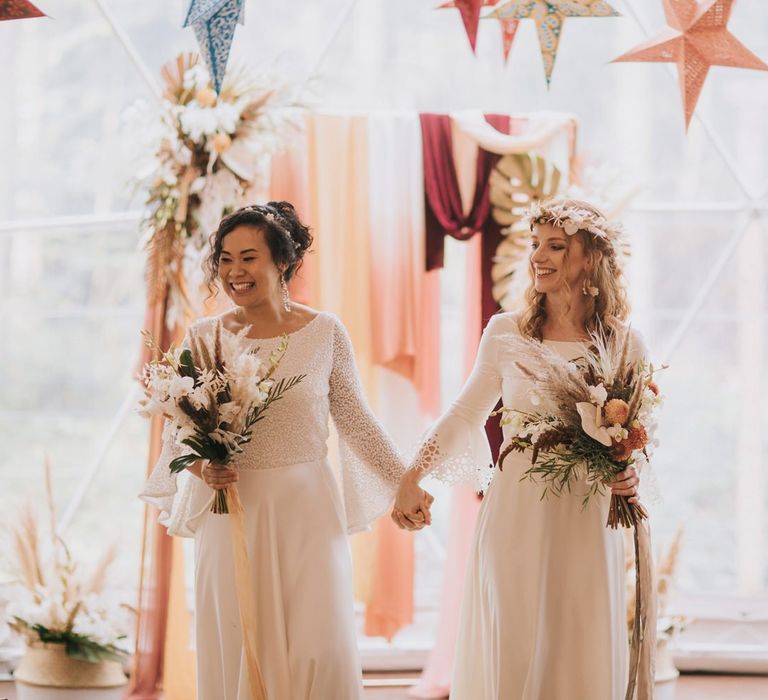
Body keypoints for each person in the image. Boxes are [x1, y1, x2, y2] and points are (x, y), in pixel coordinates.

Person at [140, 202, 432, 699]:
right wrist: (204, 466)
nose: (235, 271)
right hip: (231, 508)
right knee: (238, 637)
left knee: (317, 643)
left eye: (248, 257)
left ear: (282, 260)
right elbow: (179, 434)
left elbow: (356, 419)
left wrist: (405, 482)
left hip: (307, 509)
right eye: (225, 259)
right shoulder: (203, 336)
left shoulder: (324, 332)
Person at [393, 198, 650, 699]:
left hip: (588, 512)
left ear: (591, 259)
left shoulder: (624, 341)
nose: (539, 256)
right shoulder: (506, 332)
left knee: (578, 636)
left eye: (556, 246)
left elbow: (637, 436)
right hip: (518, 506)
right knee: (513, 635)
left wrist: (630, 470)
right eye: (535, 245)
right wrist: (411, 475)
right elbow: (466, 412)